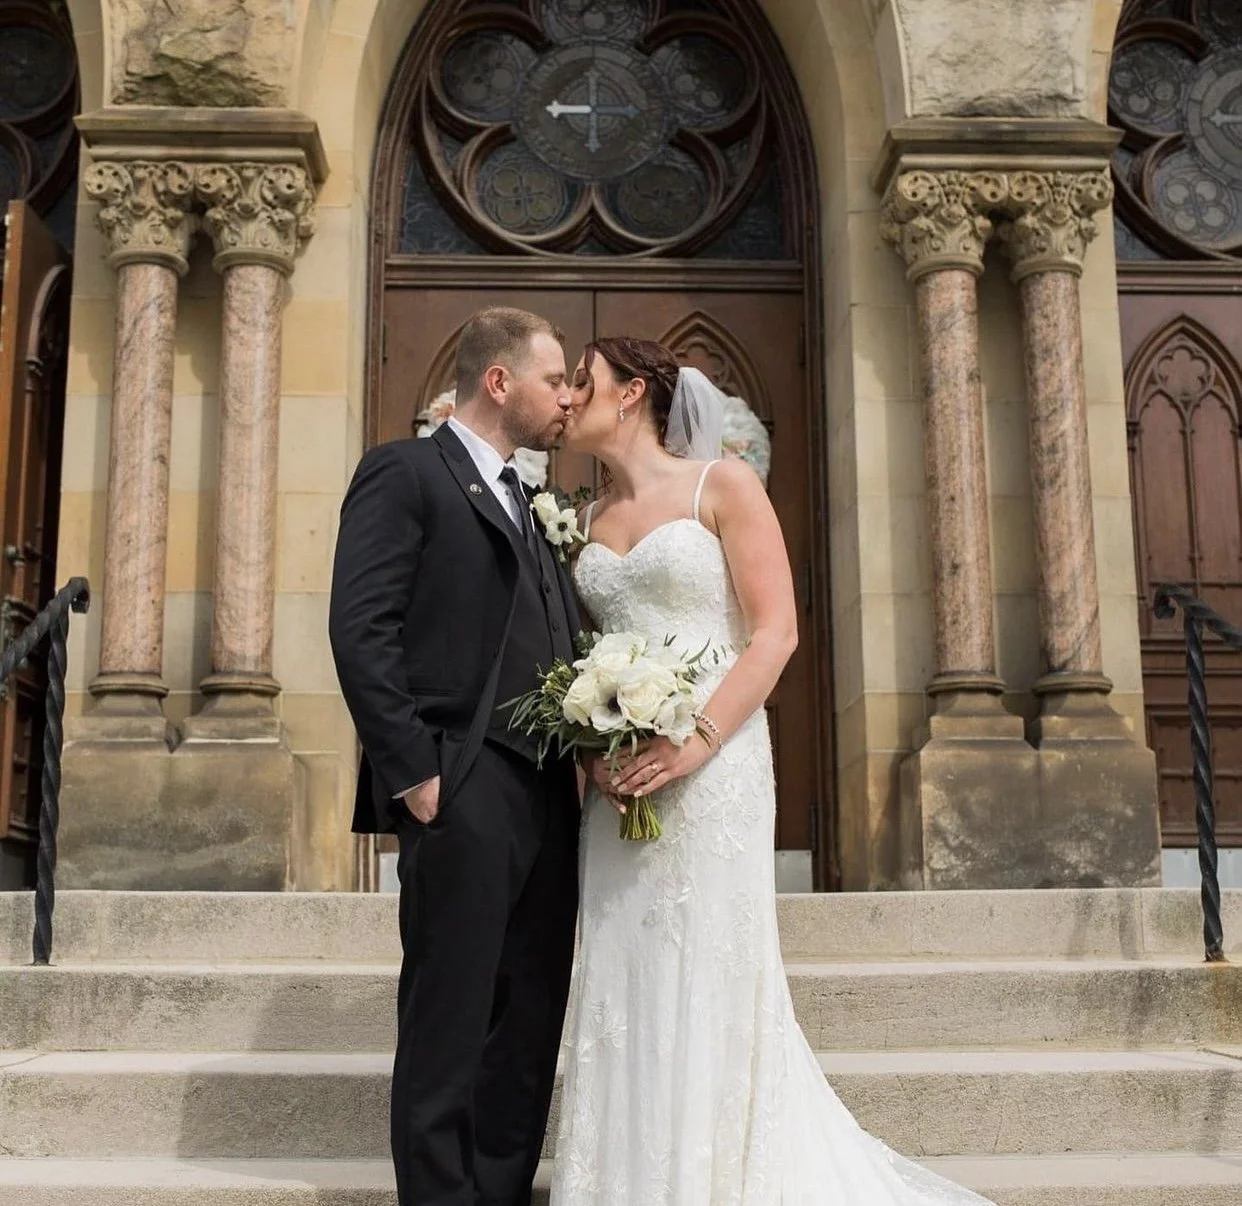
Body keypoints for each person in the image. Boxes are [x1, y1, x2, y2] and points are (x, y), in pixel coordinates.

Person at [550, 336, 995, 1205]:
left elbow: (775, 632)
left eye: (584, 381)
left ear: (632, 393)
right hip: (622, 775)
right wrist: (596, 751)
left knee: (706, 964)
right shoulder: (584, 519)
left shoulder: (725, 486)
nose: (568, 397)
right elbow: (584, 653)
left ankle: (713, 1177)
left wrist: (697, 740)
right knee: (624, 970)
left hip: (714, 766)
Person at [328, 307, 581, 1206]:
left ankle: (500, 1192)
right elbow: (362, 630)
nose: (571, 396)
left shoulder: (531, 500)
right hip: (460, 780)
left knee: (528, 1018)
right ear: (500, 381)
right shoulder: (405, 472)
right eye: (557, 379)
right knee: (450, 1016)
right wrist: (417, 773)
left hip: (550, 795)